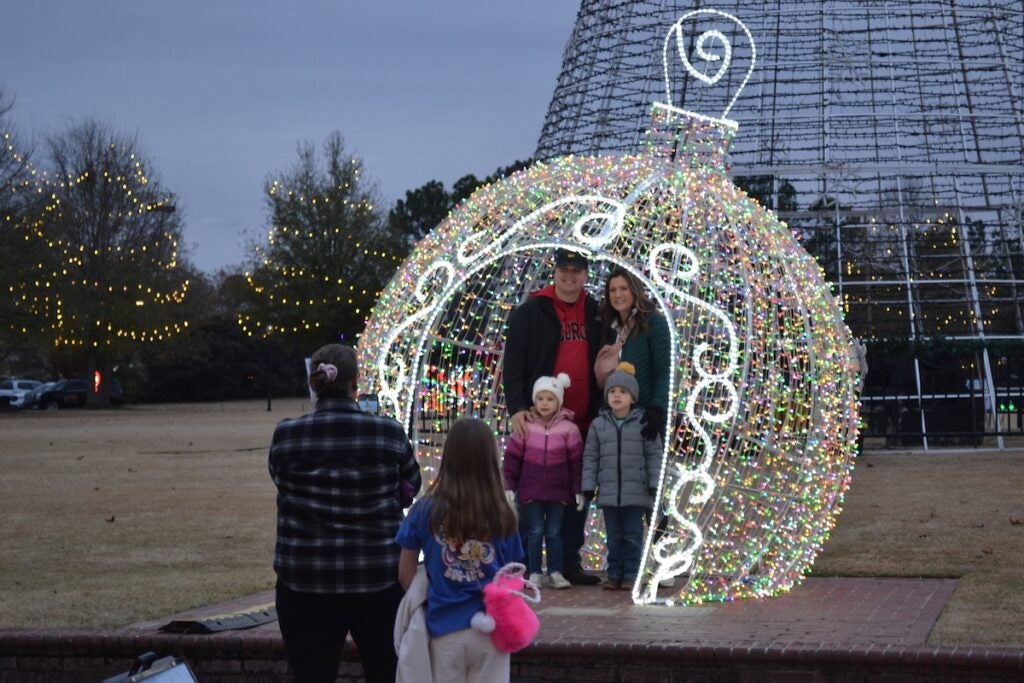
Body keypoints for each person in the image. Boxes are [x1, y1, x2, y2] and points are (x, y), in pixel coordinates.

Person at [269, 343, 422, 683]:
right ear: (356, 384)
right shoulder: (388, 432)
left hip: (305, 580)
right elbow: (411, 485)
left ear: (314, 385)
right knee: (386, 671)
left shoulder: (286, 435)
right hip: (377, 576)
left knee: (311, 674)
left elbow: (280, 480)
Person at [396, 417, 525, 683]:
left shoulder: (424, 510)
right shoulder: (503, 512)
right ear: (490, 458)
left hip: (444, 628)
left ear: (449, 457)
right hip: (492, 631)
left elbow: (405, 572)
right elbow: (514, 579)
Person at [502, 247, 602, 586]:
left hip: (583, 421)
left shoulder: (595, 311)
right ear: (555, 272)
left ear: (586, 275)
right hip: (539, 419)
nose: (570, 276)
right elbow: (513, 364)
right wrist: (516, 407)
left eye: (577, 270)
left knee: (577, 493)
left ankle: (568, 562)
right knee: (530, 494)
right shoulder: (531, 310)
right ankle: (524, 565)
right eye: (565, 270)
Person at [582, 362, 663, 591]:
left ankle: (631, 574)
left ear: (633, 397)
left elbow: (654, 455)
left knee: (633, 535)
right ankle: (614, 572)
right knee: (614, 536)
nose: (617, 396)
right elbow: (591, 457)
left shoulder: (643, 423)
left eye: (623, 392)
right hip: (609, 492)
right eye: (612, 392)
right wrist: (588, 486)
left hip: (636, 492)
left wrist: (655, 483)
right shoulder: (599, 425)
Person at [502, 373, 584, 590]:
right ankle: (535, 571)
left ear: (558, 402)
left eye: (550, 399)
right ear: (534, 401)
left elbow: (576, 462)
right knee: (536, 531)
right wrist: (509, 486)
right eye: (540, 398)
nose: (545, 403)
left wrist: (578, 489)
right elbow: (512, 459)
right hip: (531, 490)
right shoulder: (526, 428)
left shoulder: (569, 429)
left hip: (559, 491)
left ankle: (555, 571)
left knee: (555, 532)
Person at [596, 267, 671, 441]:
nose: (617, 295)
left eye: (624, 288)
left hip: (642, 415)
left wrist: (657, 409)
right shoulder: (608, 326)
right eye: (612, 290)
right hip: (611, 416)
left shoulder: (654, 323)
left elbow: (663, 371)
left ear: (635, 290)